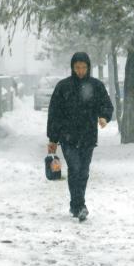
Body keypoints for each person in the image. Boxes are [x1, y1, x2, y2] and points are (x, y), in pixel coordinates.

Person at [47, 52, 114, 221]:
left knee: (83, 171)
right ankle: (79, 205)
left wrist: (104, 116)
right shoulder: (63, 87)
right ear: (72, 67)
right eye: (77, 67)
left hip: (88, 136)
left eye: (84, 67)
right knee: (75, 168)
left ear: (88, 67)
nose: (80, 71)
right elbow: (54, 114)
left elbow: (105, 104)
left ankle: (75, 205)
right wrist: (53, 139)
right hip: (68, 137)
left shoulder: (96, 86)